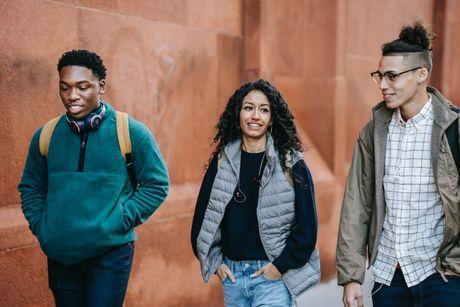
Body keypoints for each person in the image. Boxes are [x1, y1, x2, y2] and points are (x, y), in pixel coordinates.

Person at [18, 49, 170, 307]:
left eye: (82, 87)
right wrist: (43, 227)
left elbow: (157, 184)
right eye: (64, 87)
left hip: (110, 255)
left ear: (101, 87)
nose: (71, 96)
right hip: (61, 254)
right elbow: (31, 186)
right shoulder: (46, 135)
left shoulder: (130, 131)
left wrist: (120, 219)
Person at [337, 23, 460, 307]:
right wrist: (351, 276)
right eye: (379, 76)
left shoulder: (452, 128)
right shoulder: (373, 132)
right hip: (388, 278)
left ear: (421, 74)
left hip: (443, 277)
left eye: (392, 76)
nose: (382, 85)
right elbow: (357, 204)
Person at [191, 79, 320, 306]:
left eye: (264, 110)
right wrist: (215, 263)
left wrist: (278, 267)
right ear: (238, 114)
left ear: (271, 119)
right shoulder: (222, 162)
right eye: (248, 108)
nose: (255, 116)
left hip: (272, 278)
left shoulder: (291, 163)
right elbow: (203, 220)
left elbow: (307, 227)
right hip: (232, 277)